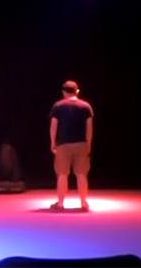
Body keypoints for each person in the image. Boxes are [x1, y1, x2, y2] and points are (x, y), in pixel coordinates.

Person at [49, 80, 93, 211]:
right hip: (81, 143)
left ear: (64, 92)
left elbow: (53, 126)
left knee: (62, 174)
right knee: (82, 174)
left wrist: (53, 142)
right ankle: (83, 203)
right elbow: (89, 127)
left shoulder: (58, 106)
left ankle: (60, 203)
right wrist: (88, 143)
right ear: (77, 91)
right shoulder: (86, 106)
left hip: (63, 144)